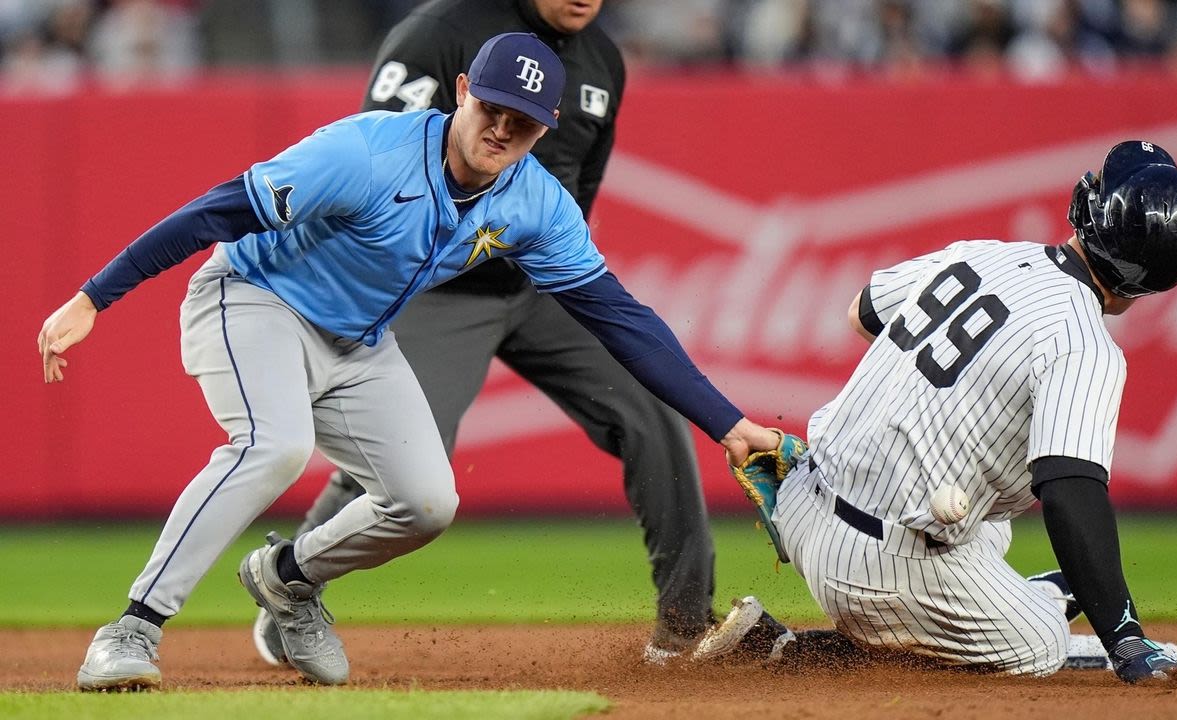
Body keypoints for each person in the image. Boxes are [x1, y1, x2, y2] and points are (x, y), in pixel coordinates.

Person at [41, 32, 781, 691]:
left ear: (545, 129)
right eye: (490, 105)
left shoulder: (536, 202)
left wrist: (724, 421)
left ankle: (288, 579)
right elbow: (217, 210)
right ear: (462, 91)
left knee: (428, 503)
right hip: (255, 298)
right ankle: (132, 629)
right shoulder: (366, 151)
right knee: (274, 447)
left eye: (522, 121)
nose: (501, 127)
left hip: (359, 340)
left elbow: (619, 317)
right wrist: (94, 297)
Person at [249, 0, 717, 668]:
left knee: (654, 411)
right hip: (435, 290)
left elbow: (578, 193)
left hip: (535, 288)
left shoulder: (603, 60)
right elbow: (376, 157)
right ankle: (290, 583)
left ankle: (687, 625)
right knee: (403, 459)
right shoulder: (440, 33)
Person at [691, 141, 1177, 683]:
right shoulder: (1084, 346)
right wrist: (1124, 639)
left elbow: (862, 314)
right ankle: (788, 651)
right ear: (1157, 278)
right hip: (875, 568)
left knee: (990, 526)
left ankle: (1044, 591)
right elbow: (1071, 492)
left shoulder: (981, 254)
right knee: (1042, 643)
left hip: (801, 498)